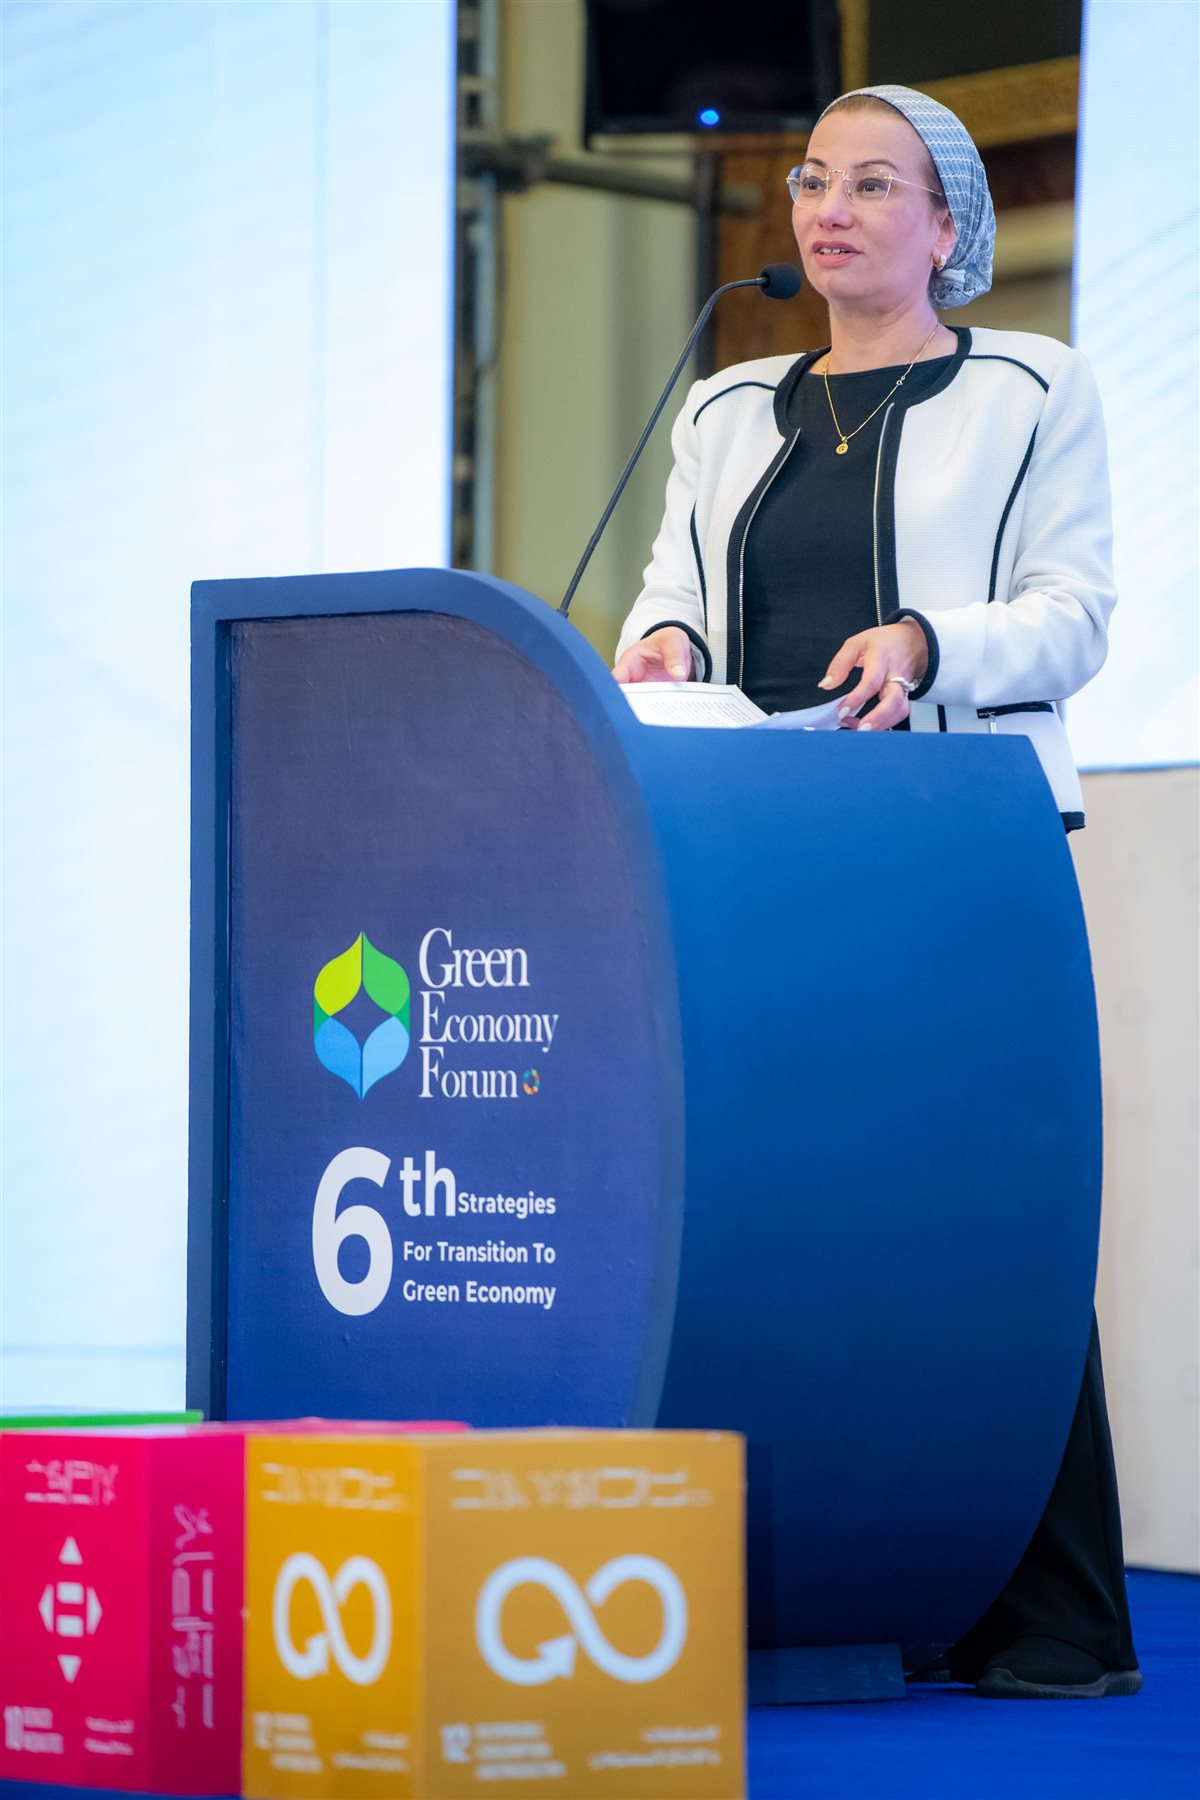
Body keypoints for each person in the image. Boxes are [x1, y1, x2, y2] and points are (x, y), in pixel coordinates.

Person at [614, 83, 1141, 1699]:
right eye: (812, 182)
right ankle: (840, 1575)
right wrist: (664, 646)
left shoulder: (1030, 386)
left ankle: (1049, 1614)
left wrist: (930, 642)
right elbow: (672, 596)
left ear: (946, 225)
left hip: (950, 844)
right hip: (758, 851)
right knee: (787, 1210)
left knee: (984, 1218)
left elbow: (1075, 615)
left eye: (873, 185)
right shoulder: (727, 408)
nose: (830, 210)